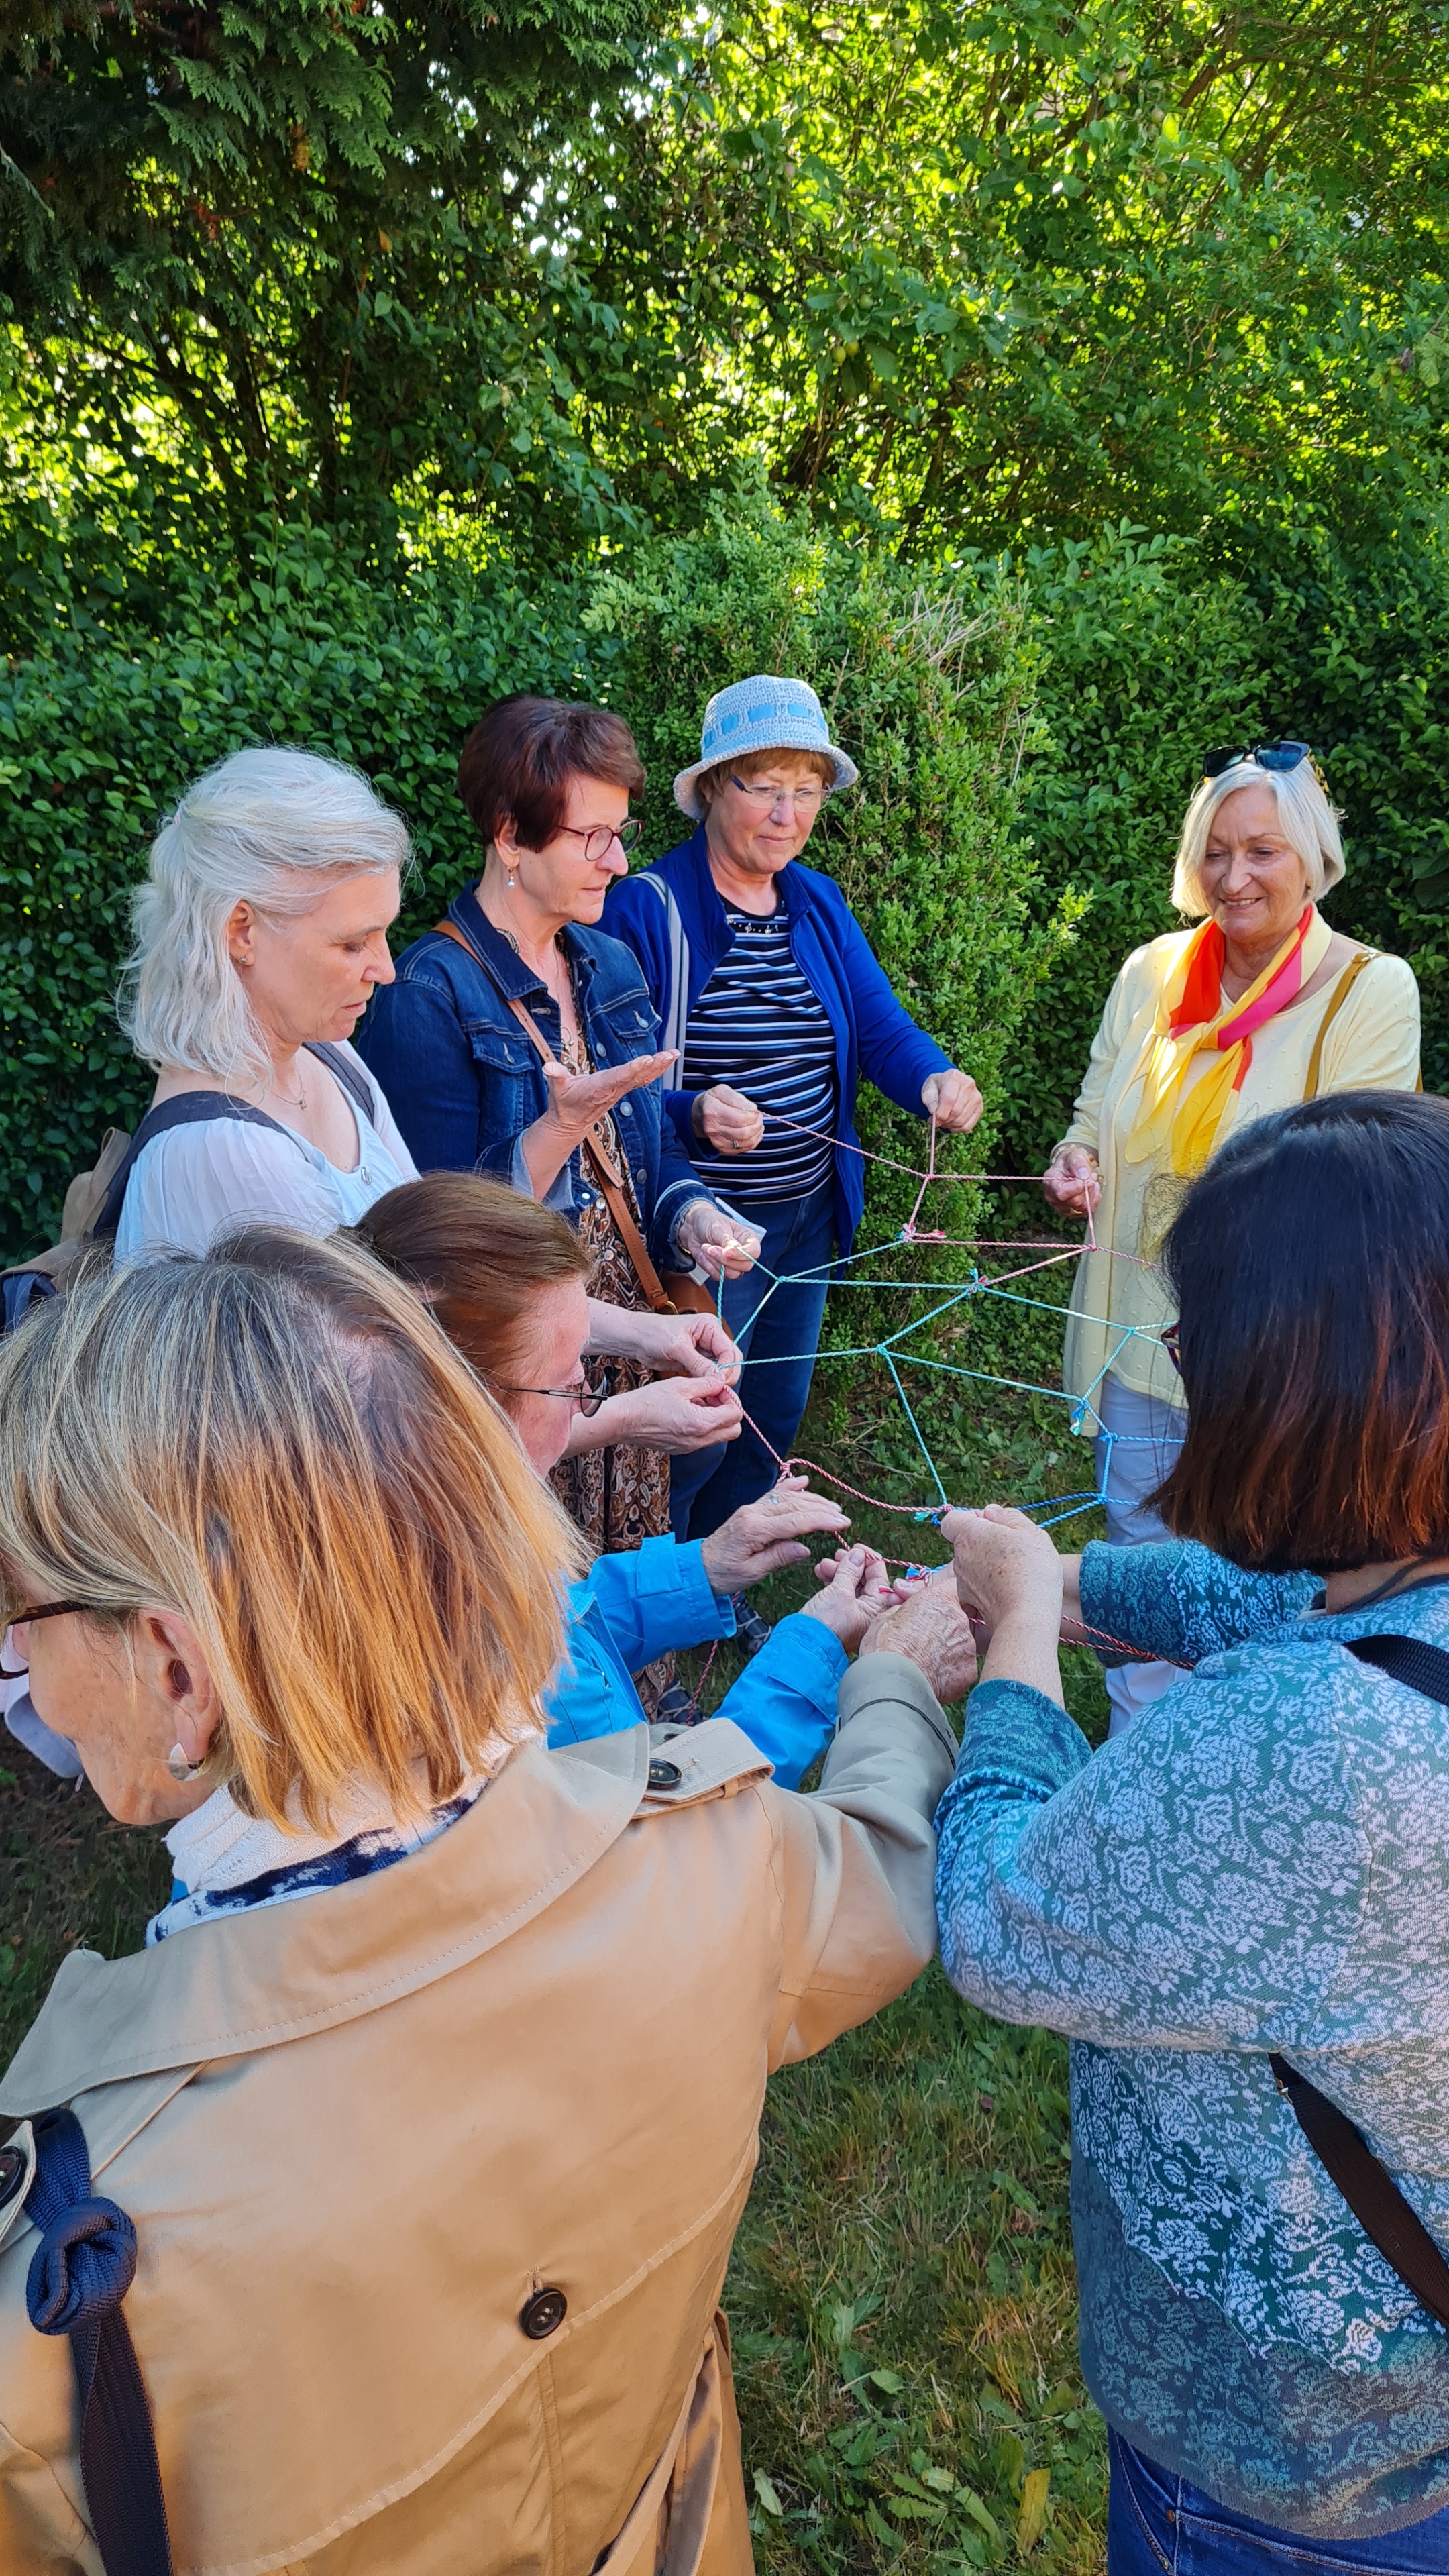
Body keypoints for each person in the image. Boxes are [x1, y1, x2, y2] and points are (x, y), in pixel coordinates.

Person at [0, 1228, 972, 2574]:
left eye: (22, 1607)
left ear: (180, 1671)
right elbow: (883, 1864)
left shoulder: (60, 2275)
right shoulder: (718, 1859)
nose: (20, 1664)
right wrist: (897, 1678)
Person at [938, 1089, 1449, 2570]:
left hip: (1296, 2462)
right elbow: (1292, 1603)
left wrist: (1016, 1635)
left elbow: (999, 1922)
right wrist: (1069, 1584)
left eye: (1194, 1341)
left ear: (1301, 1388)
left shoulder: (1306, 1749)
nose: (1178, 1364)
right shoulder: (1402, 1595)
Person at [1040, 740, 1420, 1733]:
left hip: (1276, 1358)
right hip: (1139, 1334)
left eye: (1262, 851)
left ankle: (1244, 1761)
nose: (1234, 875)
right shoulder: (1151, 974)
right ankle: (1141, 1764)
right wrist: (1077, 1158)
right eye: (1214, 851)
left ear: (1313, 859)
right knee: (1134, 1566)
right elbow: (1094, 1110)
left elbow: (1359, 1188)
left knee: (1267, 1579)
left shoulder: (1368, 990)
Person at [357, 695, 757, 1591]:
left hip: (627, 1344)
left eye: (622, 832)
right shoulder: (427, 998)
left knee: (633, 1587)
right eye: (593, 837)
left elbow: (648, 1151)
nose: (619, 860)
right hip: (522, 1380)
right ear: (511, 836)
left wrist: (691, 1214)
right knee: (537, 1606)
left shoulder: (608, 965)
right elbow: (433, 1256)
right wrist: (559, 1128)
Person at [601, 673, 984, 1557]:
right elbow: (611, 1090)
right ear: (712, 789)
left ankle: (726, 1580)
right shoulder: (647, 909)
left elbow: (881, 1029)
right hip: (705, 1236)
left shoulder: (817, 902)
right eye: (766, 787)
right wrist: (693, 1111)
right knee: (697, 1431)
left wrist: (934, 1078)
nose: (787, 814)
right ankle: (663, 1586)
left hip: (804, 1223)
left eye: (806, 791)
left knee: (770, 1419)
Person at [355, 1171, 898, 1775]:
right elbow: (683, 1821)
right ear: (467, 1409)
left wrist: (703, 1568)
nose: (590, 1401)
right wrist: (819, 1648)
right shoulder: (488, 1658)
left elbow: (566, 1622)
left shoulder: (433, 1537)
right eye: (570, 1380)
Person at [113, 744, 421, 1254]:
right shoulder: (223, 1152)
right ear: (242, 931)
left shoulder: (328, 1054)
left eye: (383, 933)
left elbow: (433, 1247)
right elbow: (420, 1290)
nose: (385, 970)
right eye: (352, 943)